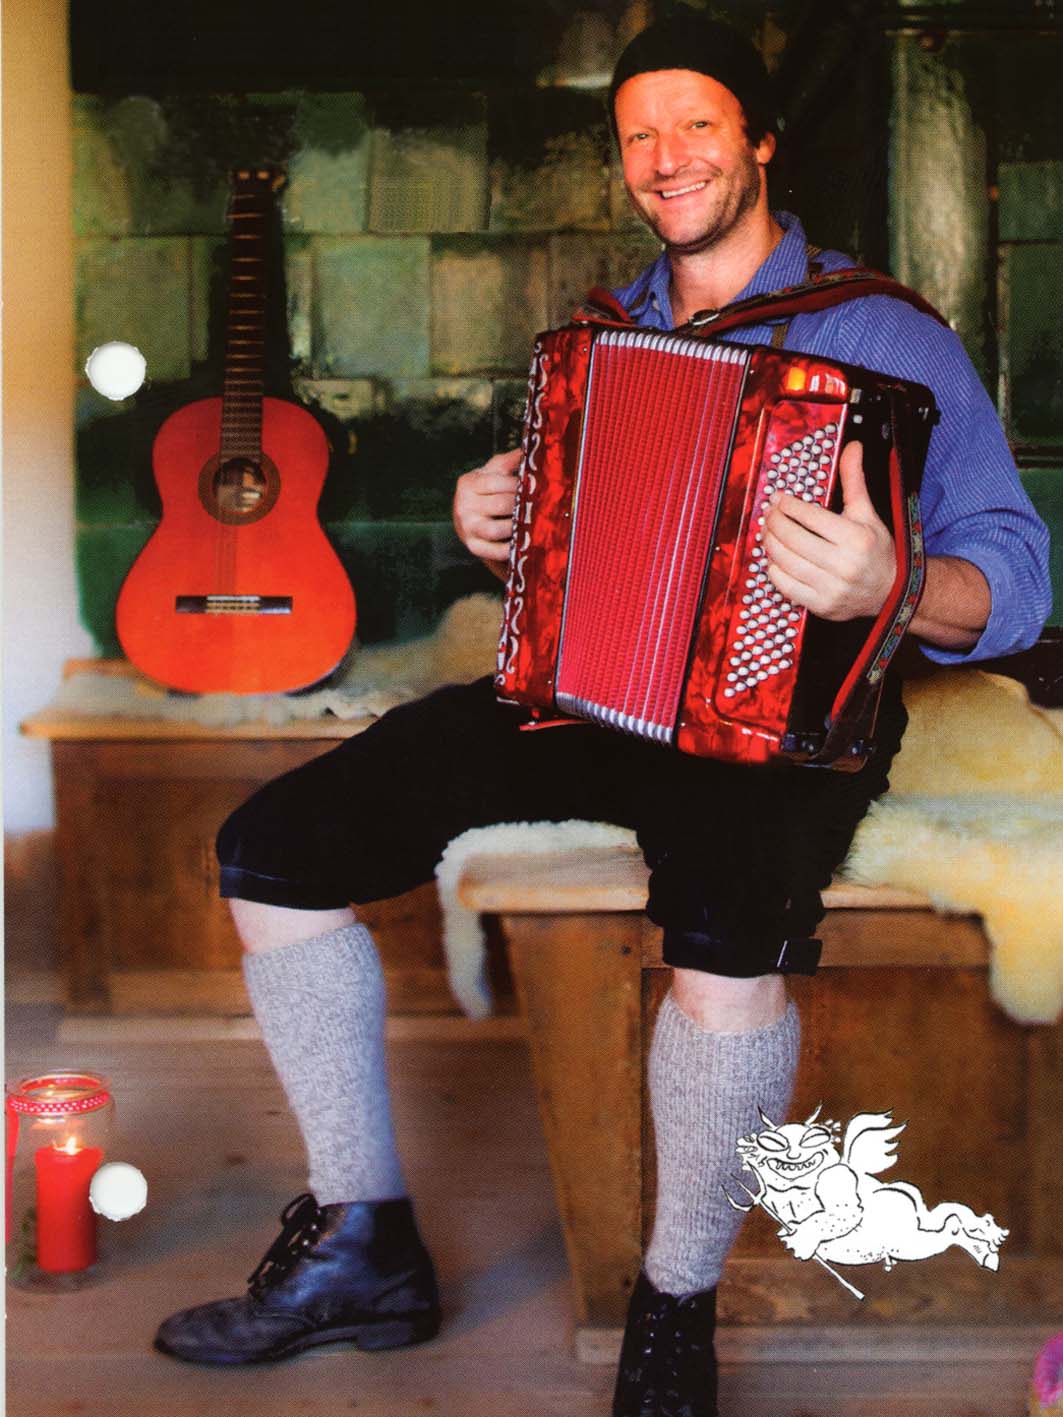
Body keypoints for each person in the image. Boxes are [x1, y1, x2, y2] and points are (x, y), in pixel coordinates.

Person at [152, 12, 1051, 1417]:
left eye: (696, 124)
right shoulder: (598, 336)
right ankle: (362, 1241)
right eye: (639, 135)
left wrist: (897, 582)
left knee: (728, 936)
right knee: (272, 849)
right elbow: (567, 543)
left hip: (782, 717)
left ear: (761, 141)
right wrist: (492, 521)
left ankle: (674, 1306)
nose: (665, 157)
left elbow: (1022, 569)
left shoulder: (887, 332)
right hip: (594, 692)